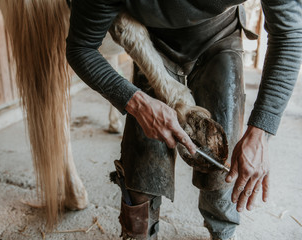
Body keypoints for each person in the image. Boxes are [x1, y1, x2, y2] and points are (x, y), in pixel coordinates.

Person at [66, 0, 302, 239]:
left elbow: (290, 32)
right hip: (148, 36)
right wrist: (137, 103)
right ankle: (138, 231)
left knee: (222, 158)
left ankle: (223, 230)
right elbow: (81, 47)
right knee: (144, 167)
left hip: (218, 34)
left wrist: (260, 131)